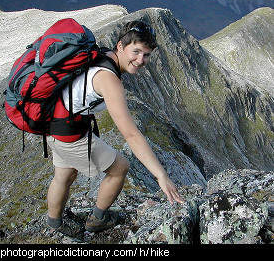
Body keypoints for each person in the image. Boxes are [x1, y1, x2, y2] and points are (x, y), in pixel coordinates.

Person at [46, 20, 183, 236]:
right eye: (136, 51)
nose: (141, 60)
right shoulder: (109, 79)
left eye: (146, 55)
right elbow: (130, 133)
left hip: (58, 122)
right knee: (120, 168)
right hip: (69, 131)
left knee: (64, 176)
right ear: (120, 46)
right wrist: (161, 176)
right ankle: (97, 219)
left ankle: (54, 223)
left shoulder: (104, 56)